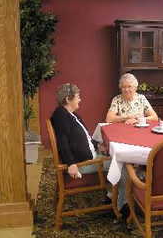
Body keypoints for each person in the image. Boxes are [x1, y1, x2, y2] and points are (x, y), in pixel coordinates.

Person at [50, 83, 129, 219]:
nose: (80, 99)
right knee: (123, 166)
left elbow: (85, 137)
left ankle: (112, 197)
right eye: (78, 97)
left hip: (90, 156)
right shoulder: (61, 115)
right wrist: (71, 164)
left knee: (115, 157)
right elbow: (62, 142)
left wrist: (97, 146)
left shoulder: (71, 114)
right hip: (84, 163)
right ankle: (123, 206)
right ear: (68, 99)